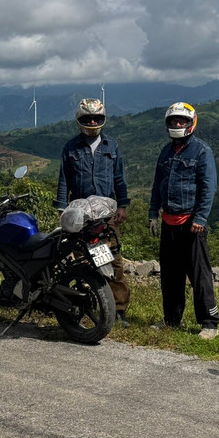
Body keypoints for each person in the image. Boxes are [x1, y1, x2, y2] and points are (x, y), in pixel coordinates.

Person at [55, 98, 131, 322]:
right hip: (80, 215)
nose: (92, 122)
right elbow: (64, 181)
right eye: (87, 118)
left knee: (113, 261)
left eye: (96, 118)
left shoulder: (111, 146)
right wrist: (62, 210)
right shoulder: (71, 147)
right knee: (83, 261)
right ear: (80, 120)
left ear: (103, 119)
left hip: (106, 215)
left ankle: (118, 310)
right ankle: (86, 305)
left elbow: (119, 178)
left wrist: (123, 206)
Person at [148, 101, 219, 339]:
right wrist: (153, 214)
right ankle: (171, 319)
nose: (177, 124)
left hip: (191, 223)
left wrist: (200, 217)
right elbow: (157, 185)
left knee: (199, 275)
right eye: (173, 121)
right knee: (170, 275)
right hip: (169, 221)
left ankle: (209, 323)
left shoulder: (201, 151)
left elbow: (208, 187)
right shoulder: (166, 151)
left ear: (191, 123)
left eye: (182, 121)